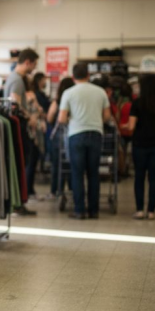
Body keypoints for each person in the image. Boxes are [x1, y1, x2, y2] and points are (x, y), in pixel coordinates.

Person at [58, 63, 111, 220]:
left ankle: (79, 210)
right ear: (88, 75)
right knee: (93, 173)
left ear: (73, 77)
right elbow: (107, 116)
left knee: (77, 173)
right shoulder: (100, 92)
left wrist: (72, 120)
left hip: (76, 135)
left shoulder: (68, 93)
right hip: (96, 134)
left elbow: (61, 118)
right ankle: (94, 210)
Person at [127, 74, 155, 220]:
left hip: (139, 145)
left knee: (139, 177)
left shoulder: (137, 103)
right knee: (154, 178)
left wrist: (124, 125)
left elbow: (131, 126)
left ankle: (140, 210)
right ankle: (151, 211)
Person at [4, 48, 39, 216]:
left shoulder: (13, 77)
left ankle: (18, 202)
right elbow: (14, 105)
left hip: (14, 126)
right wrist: (30, 116)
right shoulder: (17, 80)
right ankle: (18, 203)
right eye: (34, 64)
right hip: (18, 127)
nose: (34, 68)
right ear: (28, 62)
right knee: (21, 163)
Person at [47, 77, 75, 199]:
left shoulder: (57, 101)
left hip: (57, 137)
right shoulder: (74, 101)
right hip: (72, 135)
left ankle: (55, 191)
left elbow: (49, 118)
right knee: (70, 165)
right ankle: (71, 189)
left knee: (56, 166)